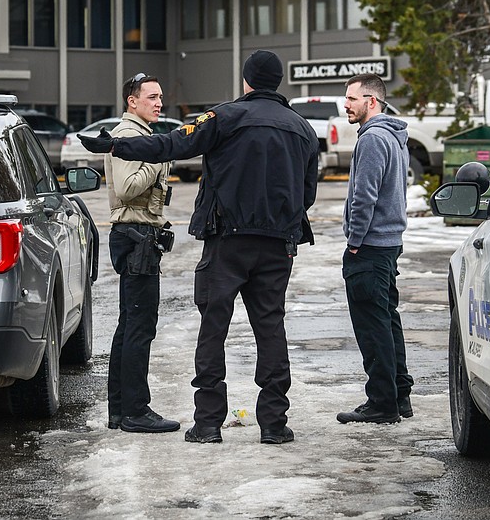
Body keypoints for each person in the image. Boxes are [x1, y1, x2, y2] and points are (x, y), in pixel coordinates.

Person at [81, 50, 318, 445]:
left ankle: (208, 423)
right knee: (271, 328)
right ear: (278, 83)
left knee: (213, 330)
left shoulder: (224, 117)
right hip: (278, 246)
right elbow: (307, 193)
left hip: (227, 242)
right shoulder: (303, 128)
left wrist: (117, 147)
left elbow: (172, 144)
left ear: (247, 81)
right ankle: (274, 424)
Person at [105, 73, 180, 434]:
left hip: (139, 236)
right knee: (139, 326)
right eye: (151, 96)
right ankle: (136, 411)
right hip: (135, 237)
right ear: (132, 101)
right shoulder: (128, 136)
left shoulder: (141, 134)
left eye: (160, 96)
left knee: (130, 325)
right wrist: (158, 160)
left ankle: (120, 410)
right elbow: (125, 186)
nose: (159, 102)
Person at [337, 74, 414, 424]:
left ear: (372, 101)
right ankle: (400, 395)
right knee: (386, 320)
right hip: (388, 243)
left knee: (372, 326)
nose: (346, 105)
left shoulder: (372, 140)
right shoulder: (395, 137)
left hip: (369, 246)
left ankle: (382, 403)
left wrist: (354, 242)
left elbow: (364, 196)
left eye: (352, 99)